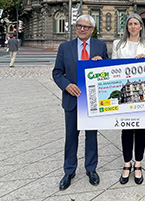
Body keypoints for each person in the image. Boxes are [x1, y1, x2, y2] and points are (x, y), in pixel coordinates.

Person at [53, 14, 108, 191]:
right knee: (71, 137)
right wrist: (67, 85)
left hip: (92, 100)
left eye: (86, 27)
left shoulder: (100, 46)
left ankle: (91, 169)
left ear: (92, 29)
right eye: (79, 26)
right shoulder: (64, 47)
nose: (82, 29)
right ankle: (69, 171)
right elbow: (57, 73)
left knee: (91, 136)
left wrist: (102, 64)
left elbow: (108, 70)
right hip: (72, 99)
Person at [112, 13, 145, 185]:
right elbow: (113, 66)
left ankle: (138, 164)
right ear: (127, 27)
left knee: (140, 130)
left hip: (142, 95)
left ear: (140, 27)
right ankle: (126, 164)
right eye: (130, 23)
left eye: (136, 23)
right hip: (126, 93)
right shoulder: (118, 44)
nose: (132, 26)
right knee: (126, 130)